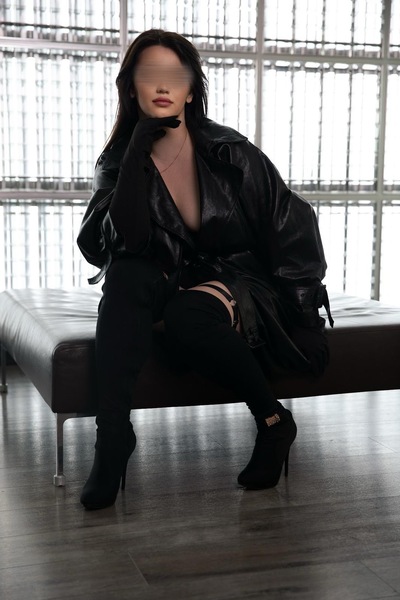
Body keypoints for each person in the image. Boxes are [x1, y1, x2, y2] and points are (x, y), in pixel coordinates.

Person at [77, 28, 333, 510]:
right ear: (130, 88)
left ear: (191, 90)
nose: (162, 85)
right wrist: (135, 159)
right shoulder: (116, 161)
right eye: (148, 74)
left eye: (175, 76)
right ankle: (112, 437)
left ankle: (273, 422)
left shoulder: (229, 152)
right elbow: (119, 243)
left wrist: (305, 315)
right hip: (168, 280)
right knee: (127, 275)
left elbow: (290, 223)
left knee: (187, 316)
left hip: (238, 279)